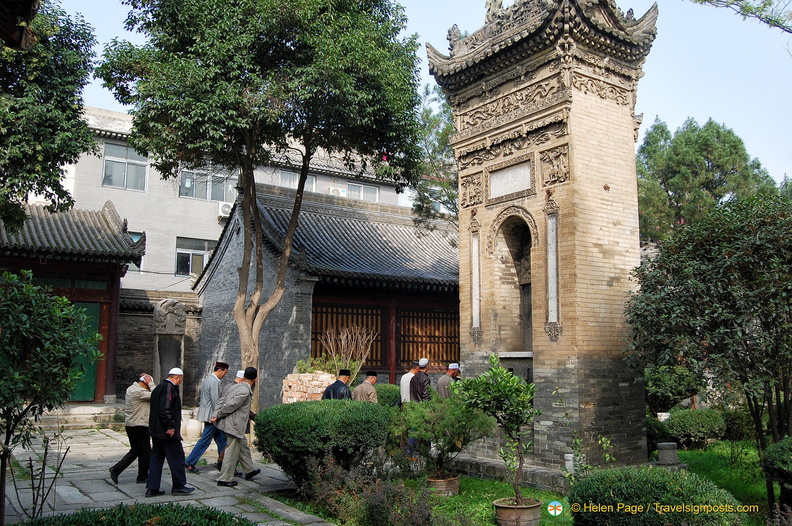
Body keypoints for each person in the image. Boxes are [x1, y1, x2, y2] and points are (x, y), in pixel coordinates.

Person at [145, 367, 194, 497]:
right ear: (177, 377)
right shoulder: (168, 388)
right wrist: (170, 426)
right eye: (180, 380)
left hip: (156, 431)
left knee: (156, 459)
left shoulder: (158, 388)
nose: (180, 382)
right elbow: (165, 409)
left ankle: (152, 487)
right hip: (166, 433)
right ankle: (179, 486)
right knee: (177, 458)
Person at [214, 367, 260, 487]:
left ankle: (249, 470)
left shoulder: (235, 386)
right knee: (231, 451)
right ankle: (224, 479)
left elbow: (221, 400)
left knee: (242, 445)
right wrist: (218, 414)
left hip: (232, 424)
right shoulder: (244, 391)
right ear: (255, 379)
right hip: (233, 425)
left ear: (244, 376)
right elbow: (230, 405)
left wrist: (216, 414)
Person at [109, 373, 156, 484]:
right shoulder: (138, 391)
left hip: (133, 425)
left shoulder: (132, 388)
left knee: (138, 451)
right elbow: (156, 394)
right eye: (148, 385)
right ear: (144, 384)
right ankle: (139, 476)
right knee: (144, 452)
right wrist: (151, 383)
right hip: (138, 425)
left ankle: (136, 474)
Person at [185, 361, 229, 473]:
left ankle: (222, 461)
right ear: (219, 370)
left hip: (209, 414)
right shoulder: (214, 382)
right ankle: (190, 461)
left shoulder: (209, 379)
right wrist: (218, 414)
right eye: (225, 372)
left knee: (221, 440)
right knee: (205, 440)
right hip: (212, 416)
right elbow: (216, 401)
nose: (225, 375)